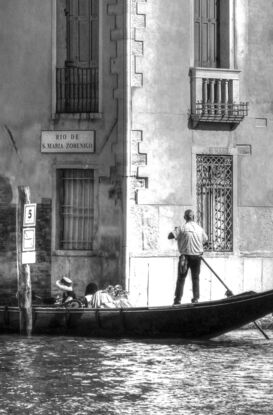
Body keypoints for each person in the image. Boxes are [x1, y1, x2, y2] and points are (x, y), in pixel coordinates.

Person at [168, 209, 208, 305]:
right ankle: (195, 299)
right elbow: (206, 241)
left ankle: (177, 300)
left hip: (185, 258)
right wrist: (199, 248)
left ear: (185, 217)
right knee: (195, 278)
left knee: (181, 278)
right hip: (197, 257)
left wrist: (175, 230)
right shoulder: (199, 228)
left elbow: (170, 236)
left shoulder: (182, 228)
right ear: (194, 217)